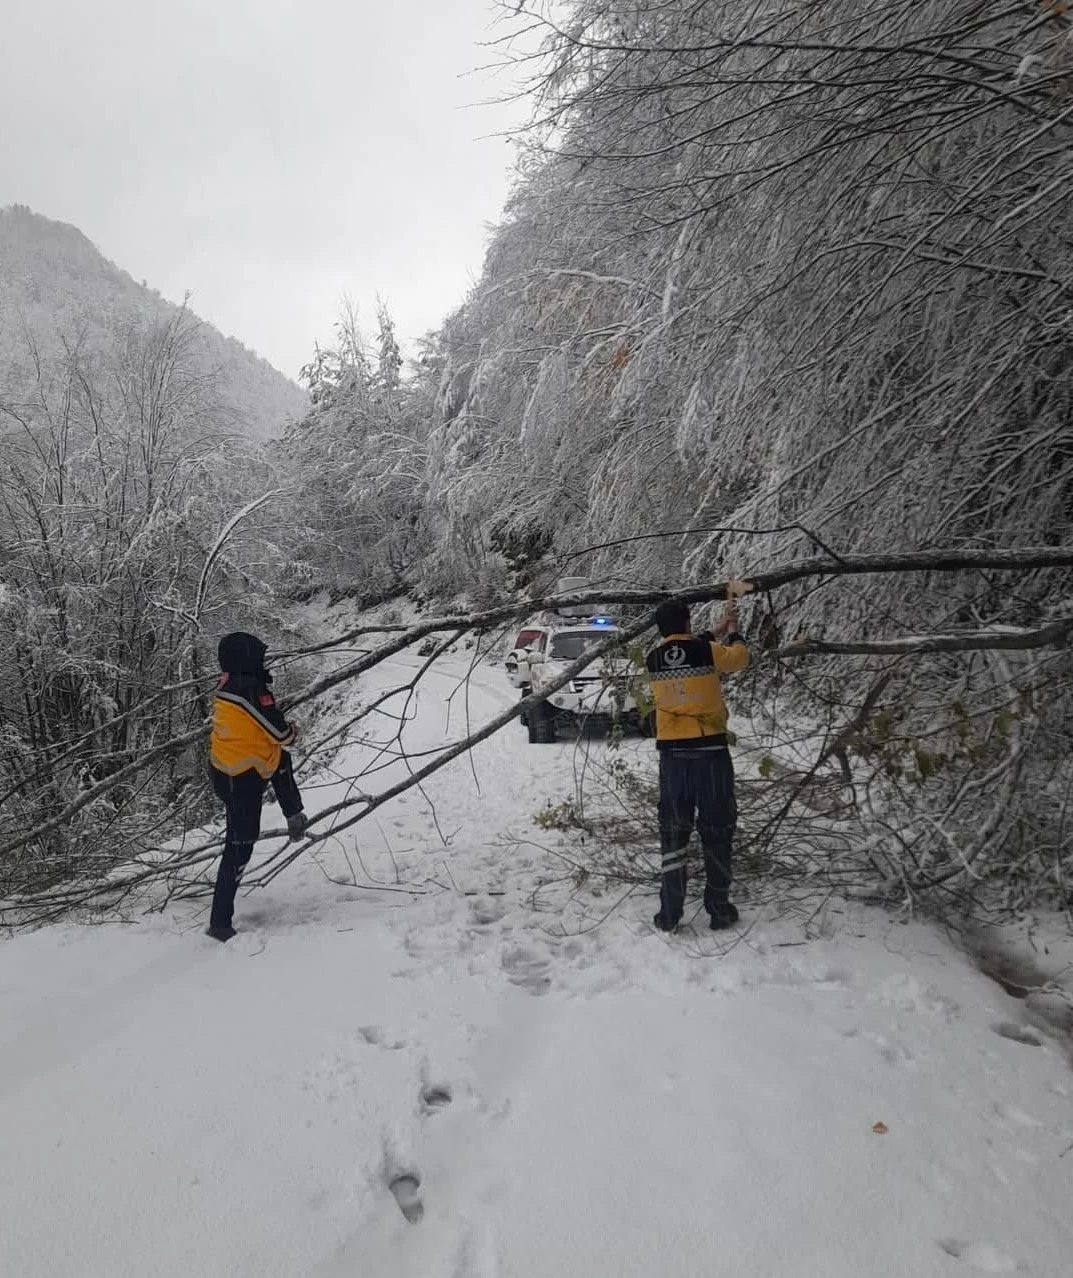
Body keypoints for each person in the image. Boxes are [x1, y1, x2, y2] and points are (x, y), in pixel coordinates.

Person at [645, 583, 750, 932]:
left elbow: (684, 648)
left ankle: (670, 913)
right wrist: (732, 632)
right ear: (688, 624)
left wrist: (714, 630)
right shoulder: (707, 650)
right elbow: (738, 659)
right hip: (710, 755)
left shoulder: (653, 658)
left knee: (674, 832)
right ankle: (718, 908)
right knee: (717, 830)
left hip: (673, 759)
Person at [206, 631, 308, 942]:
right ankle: (220, 923)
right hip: (240, 775)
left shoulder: (231, 683)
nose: (263, 660)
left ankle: (294, 815)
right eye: (259, 656)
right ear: (247, 659)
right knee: (239, 846)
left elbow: (263, 732)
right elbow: (278, 733)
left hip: (231, 765)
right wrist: (292, 729)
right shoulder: (248, 689)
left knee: (282, 761)